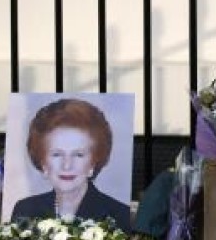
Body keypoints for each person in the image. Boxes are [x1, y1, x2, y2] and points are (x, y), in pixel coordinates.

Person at [11, 98, 132, 232]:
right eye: (57, 154)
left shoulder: (119, 215)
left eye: (78, 155)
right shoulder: (25, 210)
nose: (67, 165)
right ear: (43, 162)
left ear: (93, 161)